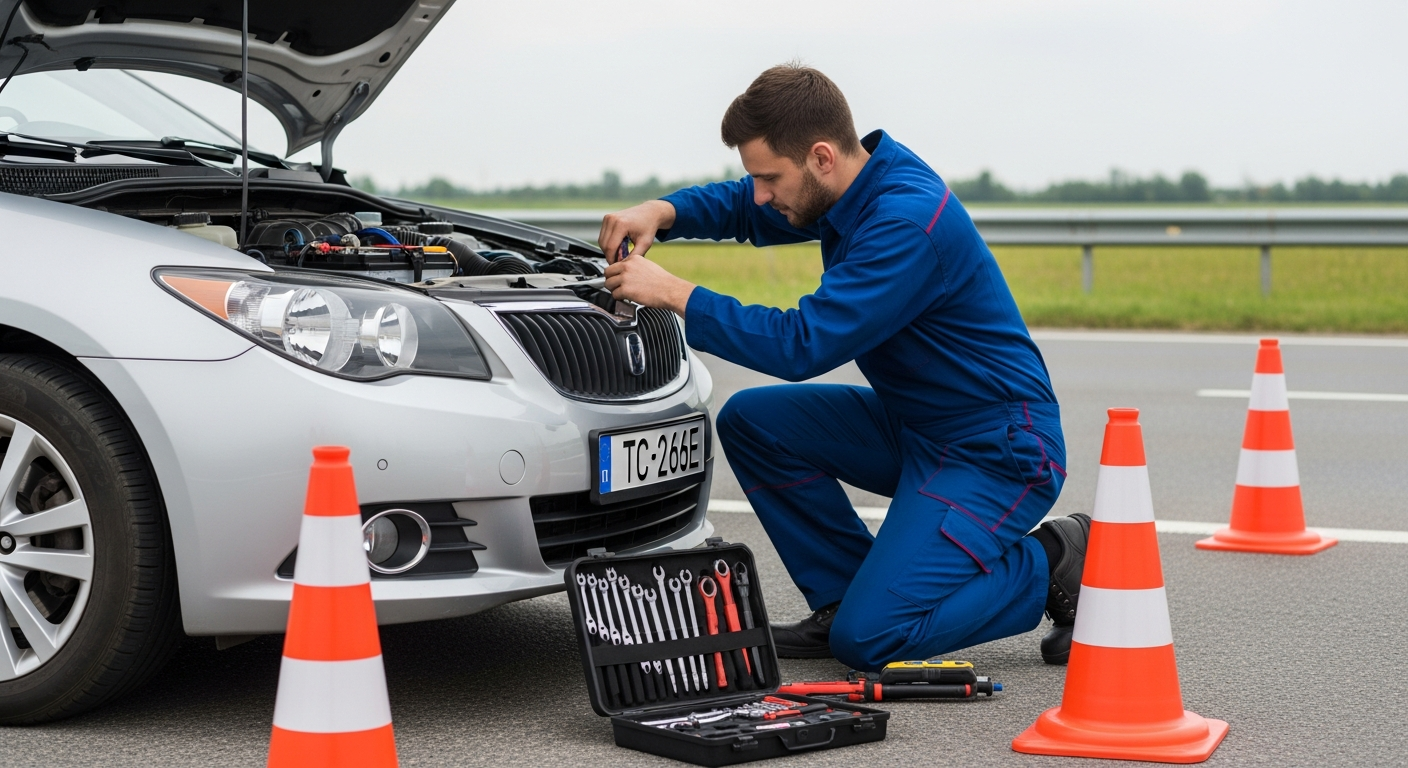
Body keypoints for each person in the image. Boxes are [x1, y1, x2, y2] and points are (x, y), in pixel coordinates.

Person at [597, 64, 1089, 670]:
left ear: (821, 157)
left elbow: (802, 345)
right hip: (917, 427)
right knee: (754, 421)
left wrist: (677, 294)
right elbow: (751, 211)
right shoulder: (849, 187)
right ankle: (844, 596)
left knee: (872, 640)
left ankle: (1056, 560)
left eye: (768, 177)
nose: (759, 192)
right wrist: (663, 211)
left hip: (996, 449)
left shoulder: (903, 222)